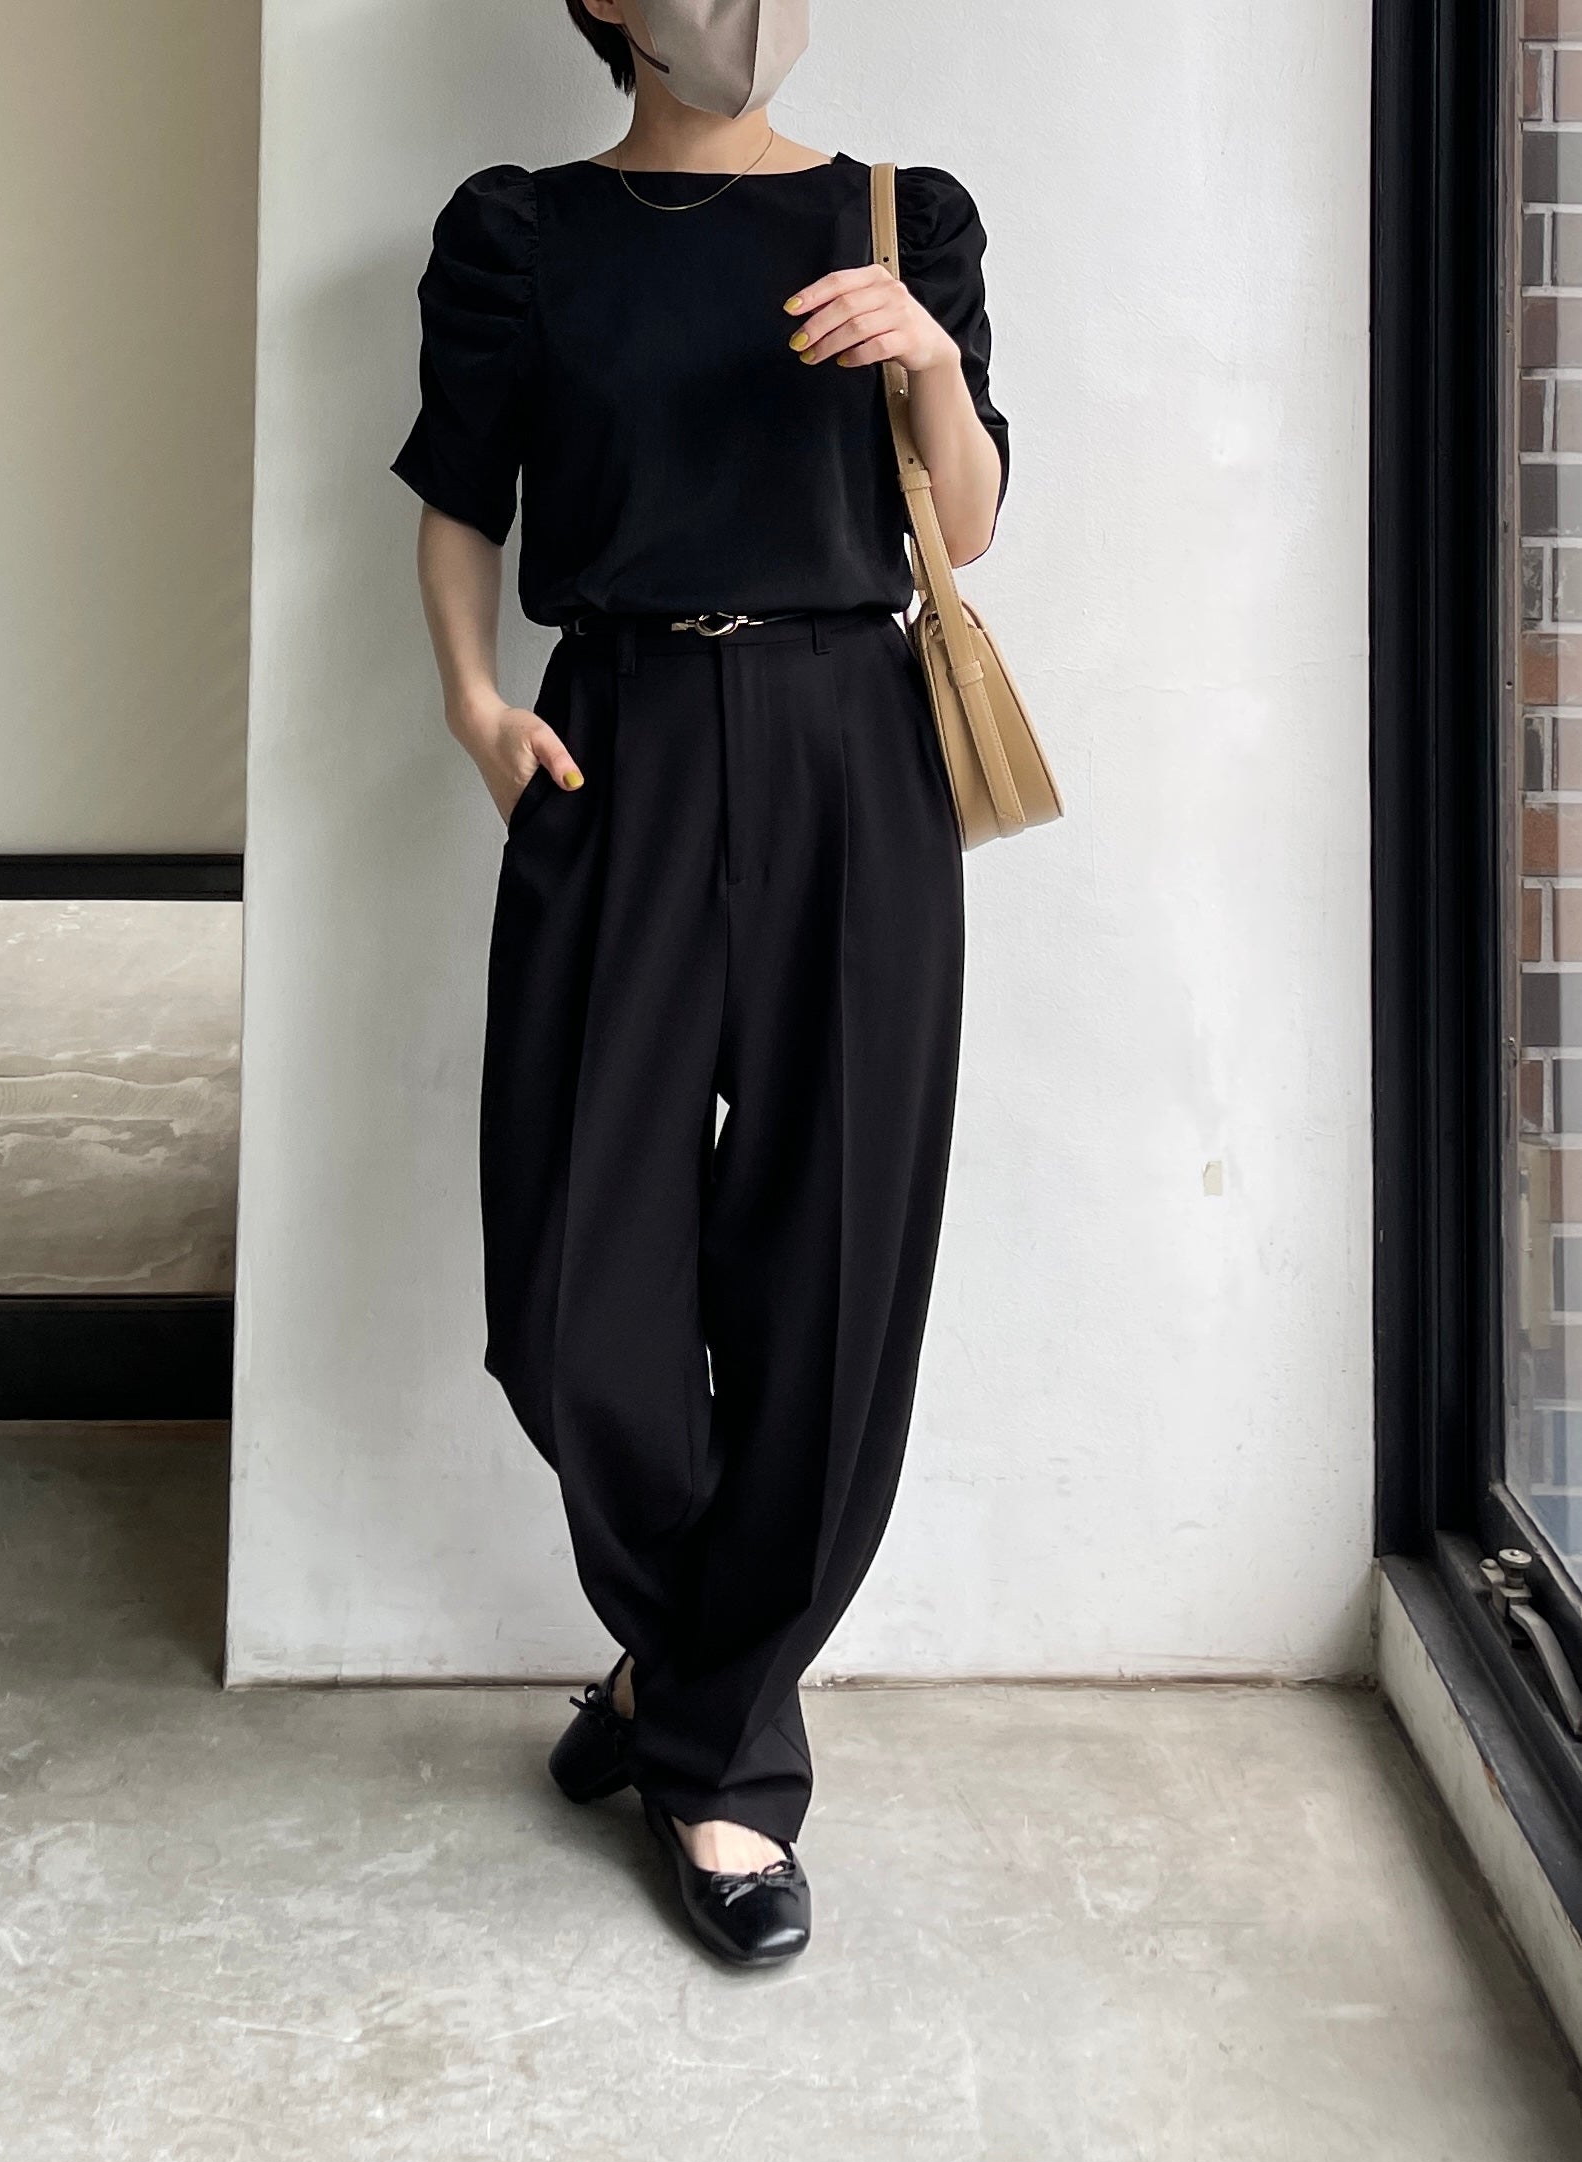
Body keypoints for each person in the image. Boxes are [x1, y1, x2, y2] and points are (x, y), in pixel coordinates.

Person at [391, 0, 1009, 1968]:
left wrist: (927, 367)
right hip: (617, 741)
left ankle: (724, 1757)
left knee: (828, 1258)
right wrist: (475, 706)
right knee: (572, 1297)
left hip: (852, 746)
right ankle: (691, 1663)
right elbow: (461, 494)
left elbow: (968, 525)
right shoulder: (520, 230)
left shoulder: (905, 216)